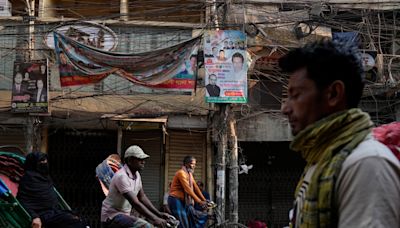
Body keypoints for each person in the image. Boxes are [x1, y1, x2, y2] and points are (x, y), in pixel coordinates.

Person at [279, 39, 400, 227]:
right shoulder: (320, 160)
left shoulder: (366, 164)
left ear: (334, 94)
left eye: (295, 96)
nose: (285, 108)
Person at [101, 145, 169, 228]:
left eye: (143, 159)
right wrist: (155, 219)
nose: (143, 162)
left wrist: (159, 214)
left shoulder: (137, 175)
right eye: (140, 159)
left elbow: (142, 197)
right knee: (146, 226)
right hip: (112, 217)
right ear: (130, 161)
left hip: (124, 216)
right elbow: (135, 202)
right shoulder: (121, 176)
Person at [17, 152, 86, 228]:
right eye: (41, 161)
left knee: (79, 219)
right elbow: (23, 201)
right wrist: (35, 217)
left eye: (45, 160)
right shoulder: (28, 178)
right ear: (33, 163)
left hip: (53, 211)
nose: (44, 162)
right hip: (42, 214)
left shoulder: (45, 177)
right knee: (75, 222)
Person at [168, 156, 208, 228]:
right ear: (186, 164)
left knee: (190, 221)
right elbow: (188, 189)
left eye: (195, 164)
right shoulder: (181, 173)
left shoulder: (189, 175)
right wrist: (199, 201)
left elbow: (195, 187)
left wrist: (204, 200)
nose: (194, 166)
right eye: (192, 164)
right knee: (183, 224)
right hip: (175, 200)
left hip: (183, 202)